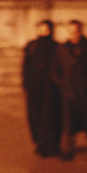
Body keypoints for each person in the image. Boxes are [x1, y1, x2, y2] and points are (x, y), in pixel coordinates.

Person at [52, 20, 87, 159]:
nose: (74, 34)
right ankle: (69, 149)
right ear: (67, 32)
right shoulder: (61, 49)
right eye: (71, 31)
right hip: (68, 92)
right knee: (69, 121)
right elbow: (55, 70)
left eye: (77, 31)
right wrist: (63, 84)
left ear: (81, 30)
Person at [22, 20, 62, 157]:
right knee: (36, 116)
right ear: (37, 30)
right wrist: (26, 83)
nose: (44, 32)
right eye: (41, 30)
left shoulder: (57, 47)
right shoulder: (32, 46)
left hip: (51, 88)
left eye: (47, 30)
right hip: (34, 87)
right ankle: (40, 143)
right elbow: (26, 66)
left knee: (51, 116)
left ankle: (52, 146)